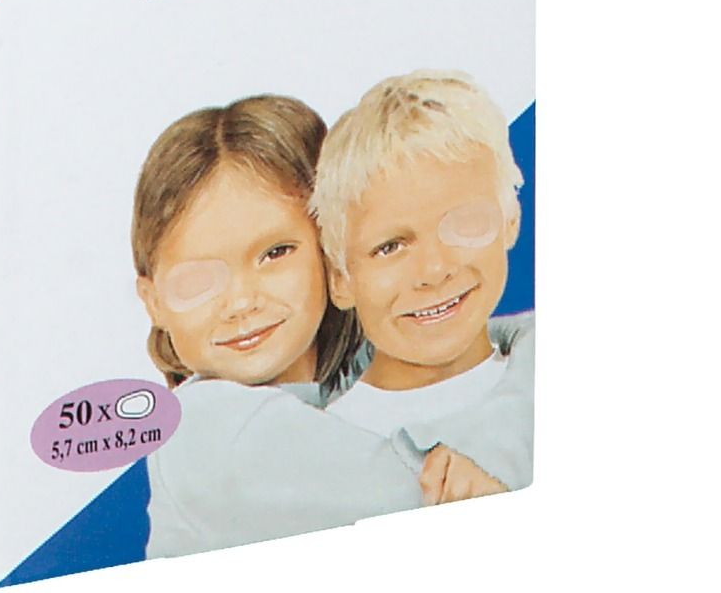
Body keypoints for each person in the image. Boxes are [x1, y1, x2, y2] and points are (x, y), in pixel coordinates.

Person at [132, 95, 508, 559]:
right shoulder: (205, 424)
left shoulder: (343, 396)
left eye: (275, 253)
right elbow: (448, 501)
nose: (242, 302)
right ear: (153, 302)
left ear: (333, 253)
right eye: (198, 278)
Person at [311, 70, 534, 492]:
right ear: (340, 278)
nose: (434, 270)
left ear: (510, 220)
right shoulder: (323, 449)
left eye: (463, 223)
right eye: (391, 247)